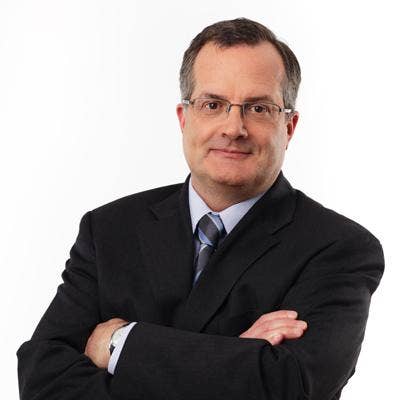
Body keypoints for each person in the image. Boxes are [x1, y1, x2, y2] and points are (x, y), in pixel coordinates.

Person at [17, 18, 384, 400]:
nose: (233, 128)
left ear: (288, 127)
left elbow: (288, 385)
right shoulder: (109, 229)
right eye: (213, 104)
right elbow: (42, 379)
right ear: (184, 118)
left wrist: (120, 342)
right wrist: (233, 359)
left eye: (258, 108)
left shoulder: (339, 248)